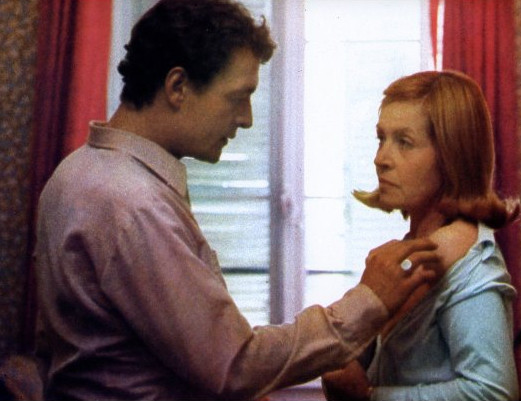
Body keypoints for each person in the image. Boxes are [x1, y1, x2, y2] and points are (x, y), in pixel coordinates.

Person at [33, 1, 441, 400]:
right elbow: (234, 366)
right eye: (237, 97)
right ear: (177, 87)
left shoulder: (77, 172)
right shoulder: (133, 204)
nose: (247, 119)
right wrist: (369, 300)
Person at [321, 70, 521, 401]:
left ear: (452, 156)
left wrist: (371, 397)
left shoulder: (471, 264)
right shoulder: (413, 248)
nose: (380, 159)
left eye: (404, 142)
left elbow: (494, 392)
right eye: (381, 139)